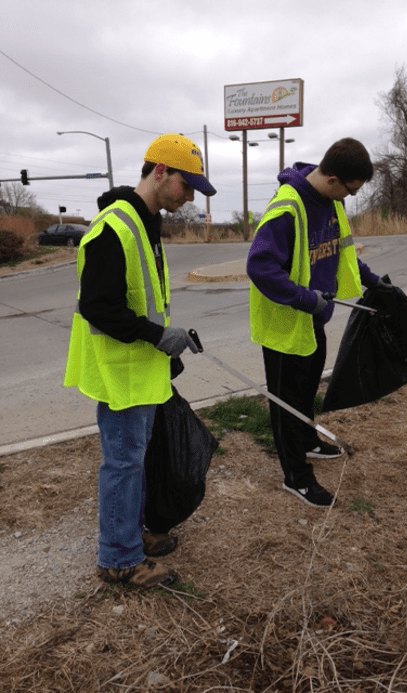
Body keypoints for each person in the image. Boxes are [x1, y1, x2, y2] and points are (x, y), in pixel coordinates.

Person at [63, 134, 216, 587]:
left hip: (139, 365)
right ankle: (119, 559)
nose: (188, 197)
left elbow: (143, 300)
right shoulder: (115, 226)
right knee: (124, 462)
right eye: (186, 186)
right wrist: (156, 335)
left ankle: (129, 536)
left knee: (135, 458)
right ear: (160, 172)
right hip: (119, 369)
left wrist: (165, 342)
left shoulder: (145, 221)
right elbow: (99, 306)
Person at [247, 137, 386, 508]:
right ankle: (296, 476)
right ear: (332, 178)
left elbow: (345, 252)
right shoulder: (288, 208)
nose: (350, 198)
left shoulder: (331, 203)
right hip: (284, 325)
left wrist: (375, 282)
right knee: (287, 401)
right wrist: (308, 299)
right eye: (350, 190)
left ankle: (308, 441)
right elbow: (259, 266)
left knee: (307, 389)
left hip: (313, 319)